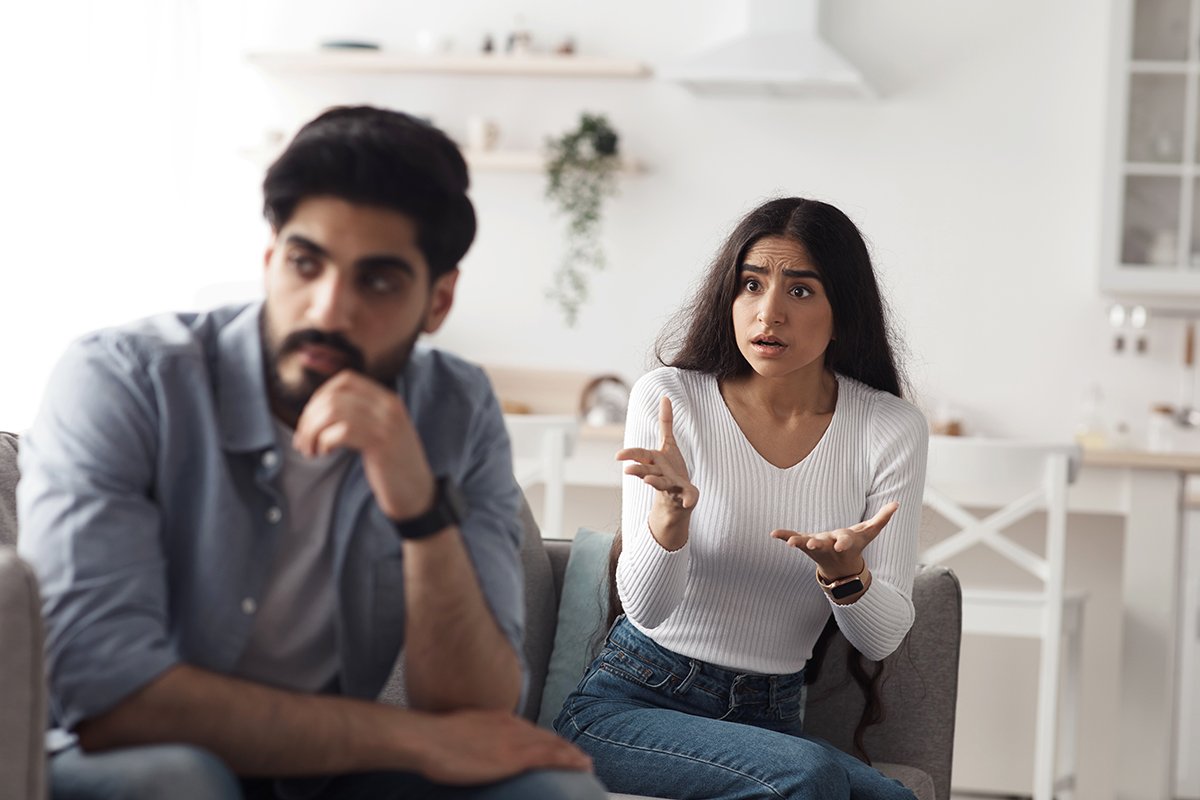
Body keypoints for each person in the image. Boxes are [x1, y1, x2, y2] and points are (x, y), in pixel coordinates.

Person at [17, 106, 604, 800]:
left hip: (318, 771)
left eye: (378, 280)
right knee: (183, 778)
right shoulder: (123, 379)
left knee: (550, 791)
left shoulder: (455, 406)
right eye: (306, 263)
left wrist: (419, 508)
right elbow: (106, 696)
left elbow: (475, 708)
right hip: (109, 760)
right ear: (270, 260)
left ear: (437, 301)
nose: (328, 309)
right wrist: (410, 739)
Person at [553, 197, 929, 799]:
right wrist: (669, 518)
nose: (769, 312)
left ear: (845, 309)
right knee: (810, 777)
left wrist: (847, 575)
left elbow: (881, 638)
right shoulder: (671, 399)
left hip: (769, 714)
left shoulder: (889, 427)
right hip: (631, 706)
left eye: (800, 291)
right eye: (751, 285)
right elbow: (645, 609)